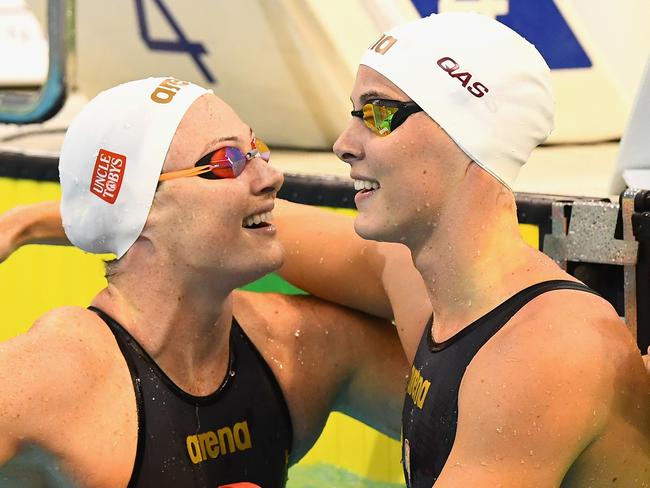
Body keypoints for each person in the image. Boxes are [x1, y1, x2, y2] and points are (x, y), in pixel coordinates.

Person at [275, 12, 650, 487]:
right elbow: (259, 228)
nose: (343, 144)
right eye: (354, 114)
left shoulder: (544, 352)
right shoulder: (439, 291)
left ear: (468, 136)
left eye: (377, 113)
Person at [0, 77, 408, 488]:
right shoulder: (48, 380)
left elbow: (462, 415)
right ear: (143, 207)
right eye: (227, 160)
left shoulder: (302, 349)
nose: (271, 177)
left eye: (257, 150)